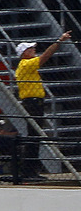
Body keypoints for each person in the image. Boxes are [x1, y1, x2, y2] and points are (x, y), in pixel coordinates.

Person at [14, 31, 72, 177]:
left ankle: (30, 169)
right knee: (34, 136)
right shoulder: (26, 64)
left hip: (34, 102)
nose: (34, 50)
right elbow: (45, 57)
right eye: (30, 49)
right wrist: (59, 41)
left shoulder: (26, 65)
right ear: (24, 53)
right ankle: (28, 171)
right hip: (32, 102)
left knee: (35, 136)